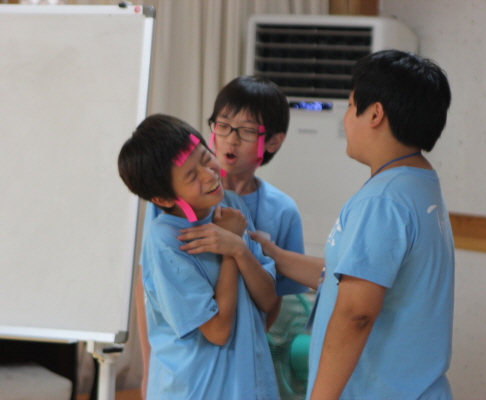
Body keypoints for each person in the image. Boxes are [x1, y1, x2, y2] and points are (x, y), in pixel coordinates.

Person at [250, 50, 455, 400]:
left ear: (375, 113)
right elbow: (346, 276)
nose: (345, 118)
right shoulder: (418, 183)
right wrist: (273, 256)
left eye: (349, 106)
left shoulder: (382, 201)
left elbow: (355, 313)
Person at [137, 76, 307, 396]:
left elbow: (272, 299)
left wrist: (247, 348)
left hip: (241, 372)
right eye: (223, 126)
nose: (230, 140)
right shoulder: (168, 214)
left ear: (272, 141)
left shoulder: (267, 208)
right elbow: (150, 287)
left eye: (246, 131)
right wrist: (148, 368)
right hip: (191, 376)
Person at [118, 114, 280, 400]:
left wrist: (239, 248)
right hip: (196, 390)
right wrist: (230, 249)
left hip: (249, 386)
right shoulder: (166, 240)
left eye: (206, 158)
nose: (209, 174)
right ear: (164, 199)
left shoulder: (231, 207)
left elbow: (267, 300)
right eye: (192, 176)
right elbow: (218, 331)